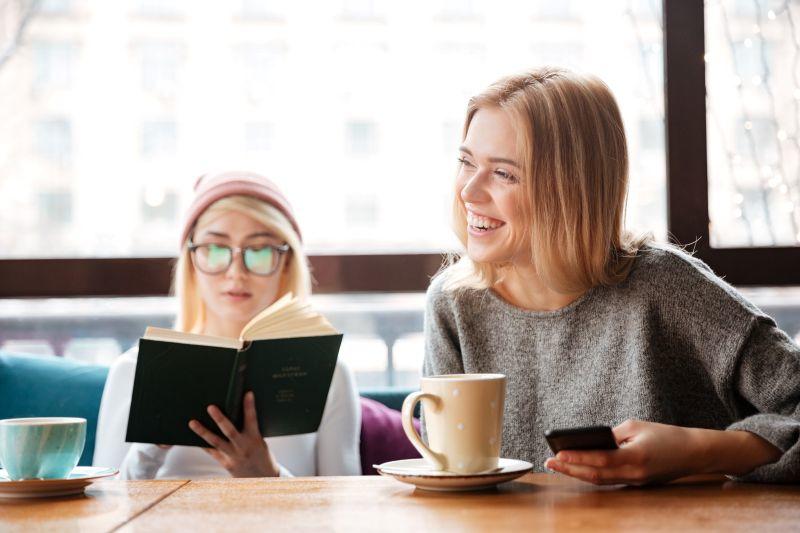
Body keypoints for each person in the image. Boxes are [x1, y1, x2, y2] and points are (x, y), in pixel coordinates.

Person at [423, 67, 800, 485]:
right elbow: (446, 474)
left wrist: (698, 451)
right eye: (466, 162)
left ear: (571, 187)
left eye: (504, 173)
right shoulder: (452, 303)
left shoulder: (666, 286)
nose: (468, 192)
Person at [94, 171, 361, 478]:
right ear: (192, 261)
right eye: (216, 249)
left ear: (286, 263)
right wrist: (148, 448)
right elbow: (107, 508)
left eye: (259, 251)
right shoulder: (132, 370)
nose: (236, 272)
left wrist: (268, 477)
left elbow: (343, 512)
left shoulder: (329, 375)